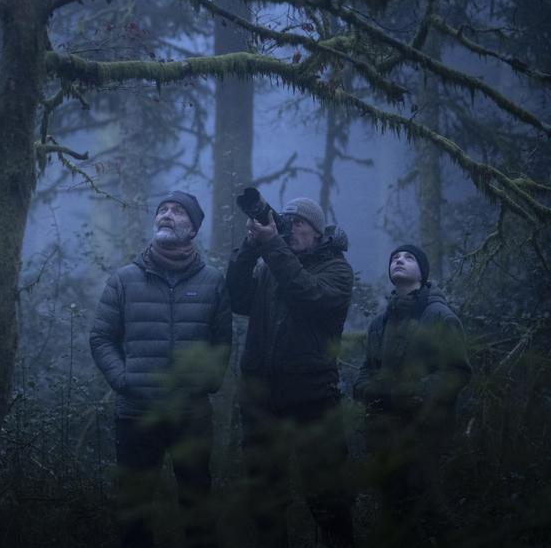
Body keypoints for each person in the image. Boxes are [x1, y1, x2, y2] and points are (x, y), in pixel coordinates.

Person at [89, 190, 232, 548]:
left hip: (192, 414)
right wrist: (124, 381)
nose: (166, 215)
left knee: (198, 509)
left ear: (193, 229)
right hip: (137, 413)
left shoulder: (213, 282)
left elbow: (222, 342)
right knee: (134, 511)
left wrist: (208, 381)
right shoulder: (124, 279)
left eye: (177, 212)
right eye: (162, 210)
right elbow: (101, 338)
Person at [227, 196, 355, 548]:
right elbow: (237, 298)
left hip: (313, 395)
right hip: (262, 396)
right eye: (287, 221)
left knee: (327, 495)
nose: (292, 227)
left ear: (317, 231)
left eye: (300, 222)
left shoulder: (337, 269)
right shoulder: (271, 264)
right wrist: (252, 247)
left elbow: (307, 295)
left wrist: (272, 247)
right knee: (264, 498)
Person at [354, 244, 470, 546]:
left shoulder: (439, 315)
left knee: (431, 509)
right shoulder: (380, 322)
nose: (399, 261)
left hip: (425, 434)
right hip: (383, 434)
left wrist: (417, 393)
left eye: (408, 258)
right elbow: (367, 369)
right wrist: (367, 389)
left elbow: (457, 371)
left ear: (422, 272)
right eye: (394, 258)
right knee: (393, 514)